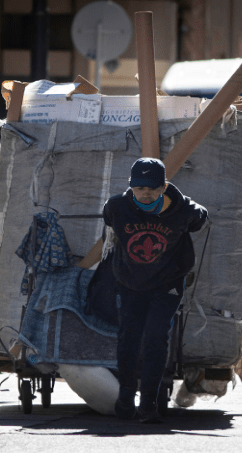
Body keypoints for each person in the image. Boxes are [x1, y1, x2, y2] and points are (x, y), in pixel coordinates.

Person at [102, 157, 208, 423]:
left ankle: (148, 402)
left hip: (167, 284)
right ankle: (126, 397)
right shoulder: (117, 207)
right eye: (139, 188)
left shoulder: (184, 210)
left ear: (163, 187)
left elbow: (200, 218)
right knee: (128, 337)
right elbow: (108, 220)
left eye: (151, 188)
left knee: (156, 336)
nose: (145, 193)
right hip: (130, 282)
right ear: (131, 187)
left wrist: (194, 212)